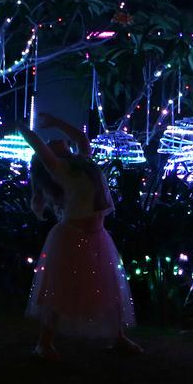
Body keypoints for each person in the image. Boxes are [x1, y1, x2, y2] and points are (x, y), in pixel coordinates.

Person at [16, 113, 140, 361]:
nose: (54, 140)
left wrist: (56, 121)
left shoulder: (83, 161)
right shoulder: (59, 169)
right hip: (71, 237)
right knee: (60, 289)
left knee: (110, 286)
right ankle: (44, 343)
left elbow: (81, 137)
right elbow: (37, 144)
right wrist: (20, 125)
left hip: (97, 235)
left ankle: (118, 337)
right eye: (51, 143)